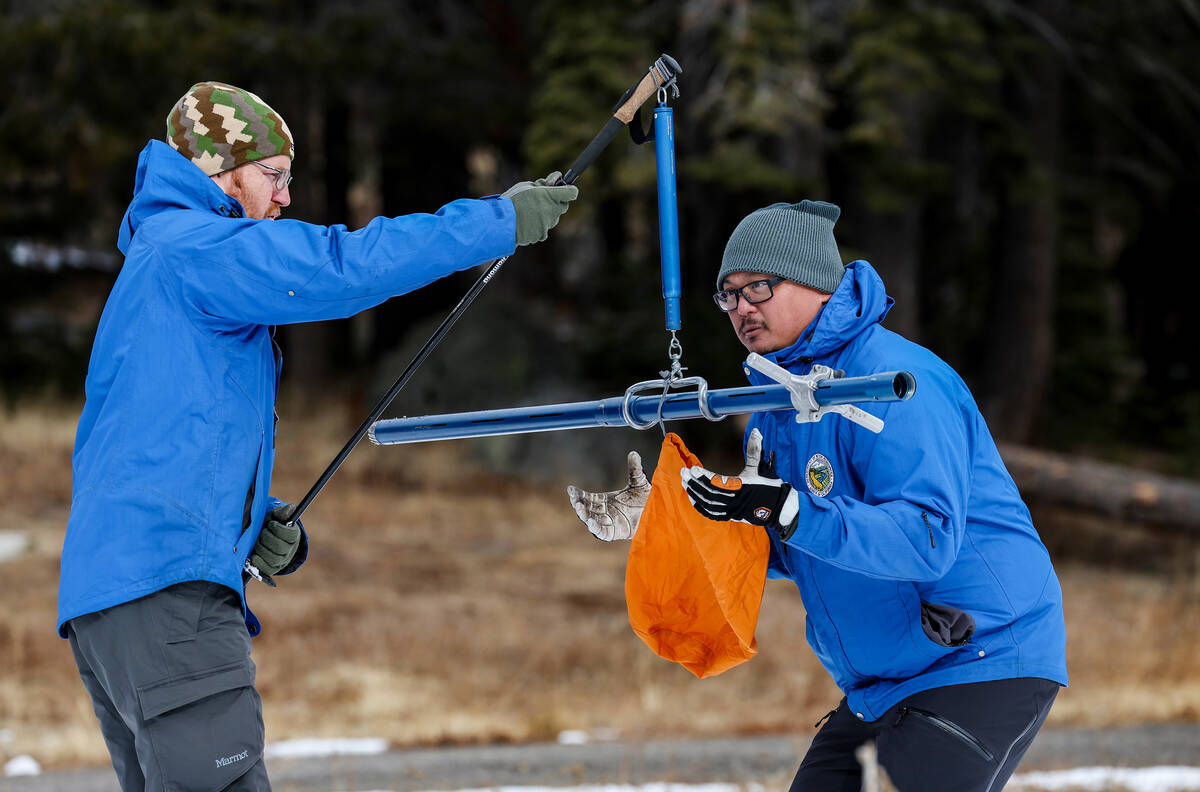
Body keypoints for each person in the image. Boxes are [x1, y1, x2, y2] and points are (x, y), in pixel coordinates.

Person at [58, 80, 578, 792]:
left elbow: (142, 444)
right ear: (218, 171)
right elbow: (345, 266)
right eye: (272, 176)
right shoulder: (199, 247)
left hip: (114, 604)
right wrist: (497, 222)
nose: (283, 198)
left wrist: (244, 524)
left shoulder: (157, 262)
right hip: (167, 596)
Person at [570, 200, 1067, 792]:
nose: (741, 309)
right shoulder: (778, 402)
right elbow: (785, 540)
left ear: (815, 283)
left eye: (758, 288)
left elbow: (925, 539)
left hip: (979, 657)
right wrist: (665, 517)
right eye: (728, 295)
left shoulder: (895, 384)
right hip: (882, 679)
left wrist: (790, 509)